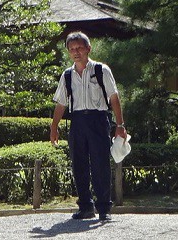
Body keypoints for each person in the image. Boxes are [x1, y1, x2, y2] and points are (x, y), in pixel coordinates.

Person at [50, 31, 127, 221]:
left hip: (98, 120)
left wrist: (120, 125)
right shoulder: (67, 75)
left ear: (88, 49)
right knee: (79, 165)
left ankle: (104, 209)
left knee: (101, 164)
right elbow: (61, 103)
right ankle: (85, 206)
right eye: (72, 49)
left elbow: (114, 98)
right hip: (77, 121)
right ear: (69, 52)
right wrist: (54, 127)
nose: (76, 52)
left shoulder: (101, 70)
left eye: (79, 48)